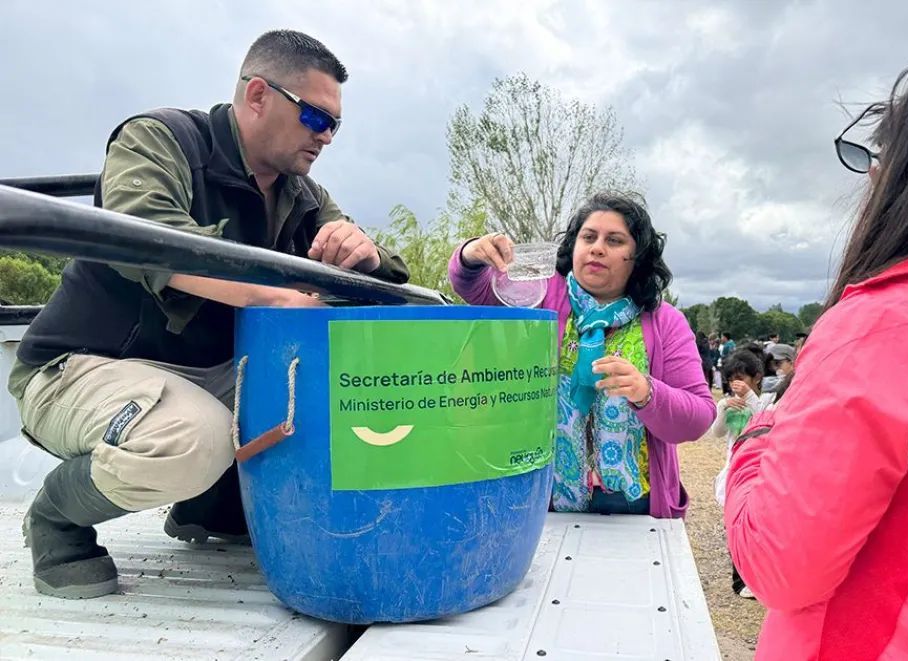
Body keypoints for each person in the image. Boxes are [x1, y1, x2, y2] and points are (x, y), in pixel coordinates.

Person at [10, 30, 409, 599]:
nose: (327, 138)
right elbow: (146, 235)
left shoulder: (302, 193)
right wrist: (268, 293)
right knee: (188, 440)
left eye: (336, 126)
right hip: (81, 366)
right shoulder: (160, 139)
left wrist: (364, 252)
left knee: (330, 388)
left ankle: (209, 506)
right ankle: (56, 518)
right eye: (317, 118)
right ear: (257, 96)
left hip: (208, 374)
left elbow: (377, 272)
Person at [725, 45, 908, 659]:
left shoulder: (893, 324)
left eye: (885, 151)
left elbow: (779, 565)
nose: (872, 173)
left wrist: (756, 439)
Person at [449, 192, 715, 518]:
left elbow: (699, 418)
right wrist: (471, 253)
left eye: (615, 240)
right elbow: (472, 286)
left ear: (638, 256)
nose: (597, 247)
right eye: (588, 237)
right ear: (573, 246)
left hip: (637, 505)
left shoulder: (664, 322)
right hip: (547, 498)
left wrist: (648, 393)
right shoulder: (541, 297)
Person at [710, 348, 775, 600]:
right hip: (734, 470)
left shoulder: (767, 400)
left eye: (742, 378)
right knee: (735, 524)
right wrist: (723, 407)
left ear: (756, 377)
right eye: (731, 379)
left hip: (760, 468)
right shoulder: (727, 402)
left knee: (758, 525)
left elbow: (763, 419)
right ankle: (739, 581)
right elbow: (716, 432)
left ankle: (758, 576)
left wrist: (749, 397)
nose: (736, 384)